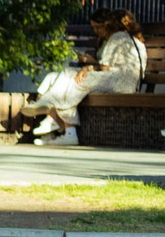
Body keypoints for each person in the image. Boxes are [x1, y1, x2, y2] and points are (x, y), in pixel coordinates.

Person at [24, 11, 147, 144]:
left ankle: (54, 117)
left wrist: (88, 67)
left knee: (72, 78)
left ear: (111, 24)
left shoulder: (118, 36)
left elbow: (105, 66)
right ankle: (61, 127)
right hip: (124, 81)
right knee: (68, 77)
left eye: (98, 26)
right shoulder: (131, 39)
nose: (95, 30)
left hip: (119, 80)